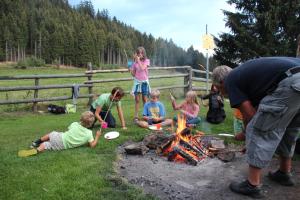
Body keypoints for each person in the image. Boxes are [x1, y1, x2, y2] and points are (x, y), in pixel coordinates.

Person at [211, 57, 300, 198]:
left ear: (221, 82)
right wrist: (250, 141)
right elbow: (260, 111)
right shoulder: (247, 77)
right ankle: (284, 173)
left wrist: (246, 135)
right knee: (288, 127)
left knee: (259, 129)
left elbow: (251, 116)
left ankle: (252, 185)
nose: (221, 92)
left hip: (291, 82)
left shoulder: (231, 80)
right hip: (295, 80)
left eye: (220, 88)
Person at [18, 111, 101, 157]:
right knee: (47, 145)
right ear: (91, 124)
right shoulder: (89, 133)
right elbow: (92, 145)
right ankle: (37, 150)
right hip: (63, 146)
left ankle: (36, 142)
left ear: (81, 119)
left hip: (61, 137)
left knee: (52, 134)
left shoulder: (75, 124)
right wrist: (97, 136)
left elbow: (70, 130)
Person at [129, 46, 151, 122]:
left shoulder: (147, 61)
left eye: (141, 53)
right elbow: (134, 74)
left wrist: (137, 60)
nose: (139, 54)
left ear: (144, 53)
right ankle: (136, 116)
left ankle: (146, 115)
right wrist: (130, 70)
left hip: (144, 82)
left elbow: (142, 68)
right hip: (137, 82)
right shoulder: (134, 63)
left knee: (145, 99)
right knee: (137, 100)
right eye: (138, 53)